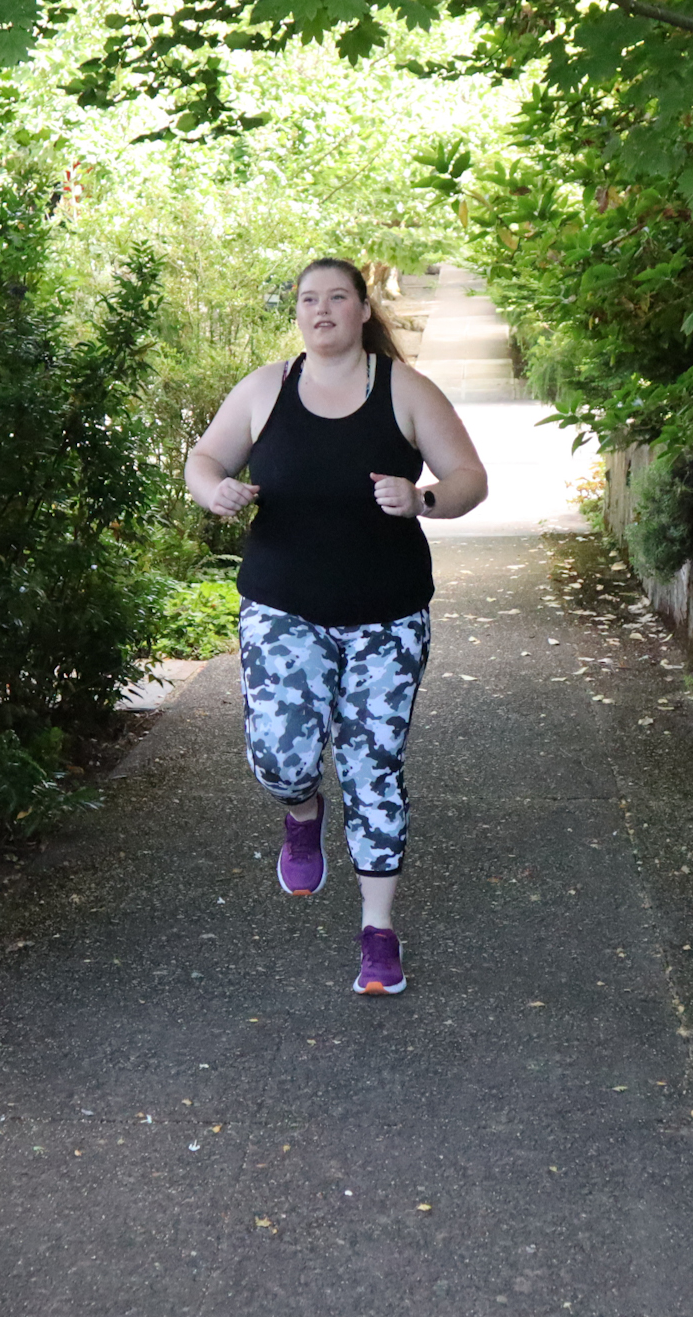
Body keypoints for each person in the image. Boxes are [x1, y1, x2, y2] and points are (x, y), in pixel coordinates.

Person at [184, 258, 488, 994]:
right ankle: (301, 809)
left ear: (361, 310)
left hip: (387, 617)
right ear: (299, 315)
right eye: (307, 300)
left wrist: (421, 500)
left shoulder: (403, 389)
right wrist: (214, 490)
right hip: (283, 609)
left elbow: (469, 479)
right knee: (279, 754)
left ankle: (378, 933)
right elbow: (203, 458)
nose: (320, 310)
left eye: (336, 298)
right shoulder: (266, 388)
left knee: (372, 767)